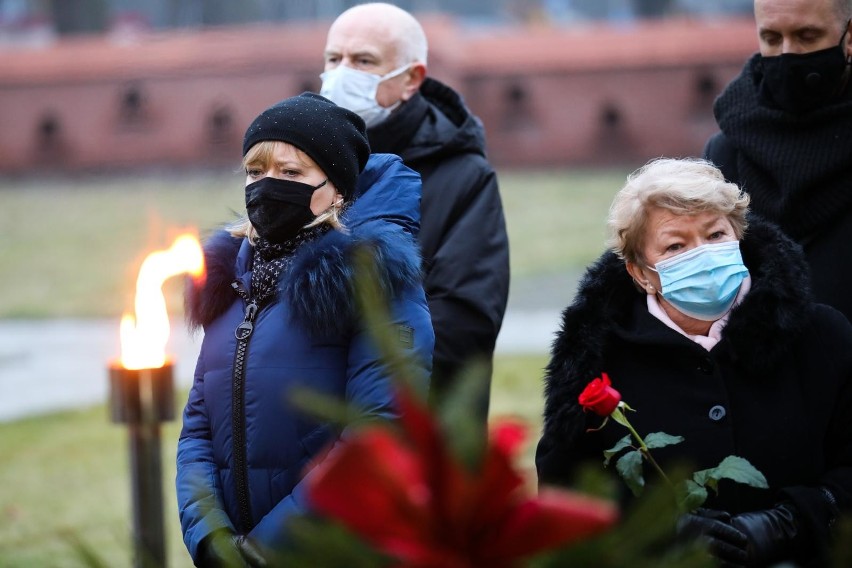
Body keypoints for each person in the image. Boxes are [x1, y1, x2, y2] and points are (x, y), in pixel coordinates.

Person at [536, 158, 852, 567]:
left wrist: (791, 521)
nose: (702, 254)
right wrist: (655, 530)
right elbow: (564, 498)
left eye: (715, 234)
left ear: (738, 235)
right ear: (641, 273)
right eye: (676, 246)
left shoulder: (821, 336)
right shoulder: (595, 357)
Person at [175, 92, 434, 566]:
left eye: (292, 173)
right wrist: (211, 538)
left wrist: (266, 551)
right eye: (256, 172)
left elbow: (378, 435)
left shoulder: (373, 284)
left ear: (336, 189)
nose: (267, 186)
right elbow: (196, 430)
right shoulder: (230, 284)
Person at [319, 2, 510, 426]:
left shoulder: (464, 176)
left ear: (411, 79)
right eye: (334, 59)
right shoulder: (308, 166)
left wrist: (340, 367)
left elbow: (463, 323)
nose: (341, 73)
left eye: (363, 61)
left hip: (420, 431)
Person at [703, 0, 852, 322]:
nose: (788, 53)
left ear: (849, 37)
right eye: (771, 38)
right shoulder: (725, 154)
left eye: (807, 36)